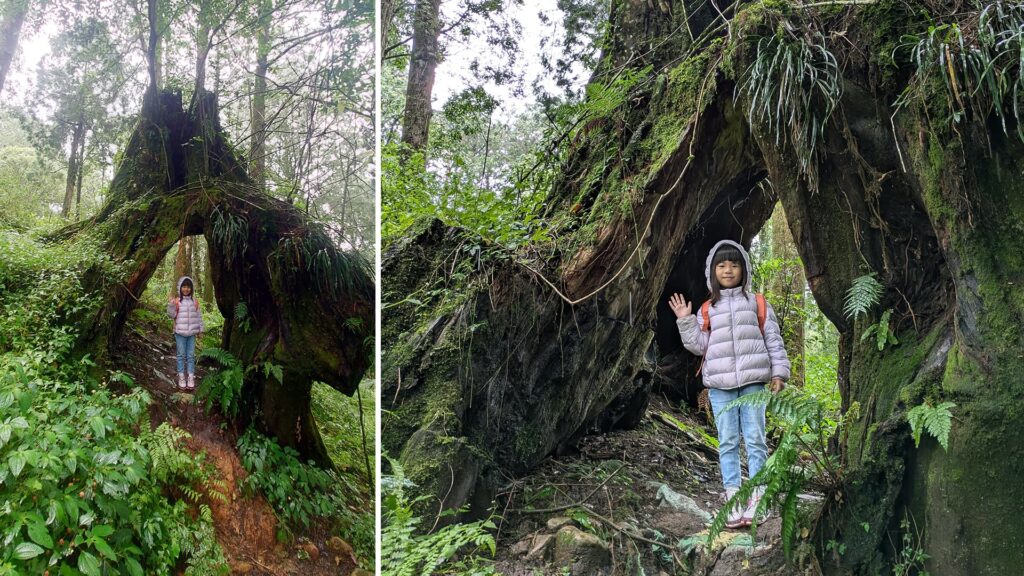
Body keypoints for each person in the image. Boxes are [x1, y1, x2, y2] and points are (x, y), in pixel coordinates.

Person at [668, 239, 790, 528]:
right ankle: (734, 497)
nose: (728, 270)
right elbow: (700, 346)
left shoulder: (758, 303)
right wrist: (686, 320)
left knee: (756, 439)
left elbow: (772, 339)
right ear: (712, 271)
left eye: (734, 264)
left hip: (753, 383)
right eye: (721, 265)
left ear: (744, 269)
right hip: (721, 385)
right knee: (728, 442)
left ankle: (758, 495)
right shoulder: (708, 309)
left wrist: (779, 374)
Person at [167, 276, 205, 391]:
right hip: (180, 333)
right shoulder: (177, 301)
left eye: (188, 287)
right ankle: (182, 377)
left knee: (191, 356)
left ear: (191, 288)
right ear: (180, 288)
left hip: (192, 334)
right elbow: (171, 316)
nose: (186, 289)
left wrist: (201, 330)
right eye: (184, 286)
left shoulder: (195, 302)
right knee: (181, 355)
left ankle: (190, 377)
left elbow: (199, 317)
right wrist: (171, 305)